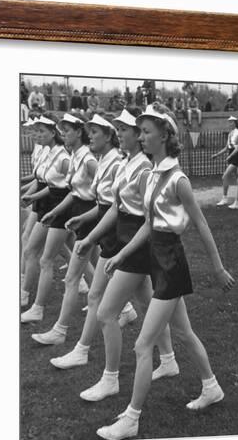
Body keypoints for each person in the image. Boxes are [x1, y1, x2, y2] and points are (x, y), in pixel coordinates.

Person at [94, 103, 235, 440]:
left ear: (165, 135)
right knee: (184, 333)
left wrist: (217, 268)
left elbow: (200, 225)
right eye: (139, 131)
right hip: (157, 260)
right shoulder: (154, 173)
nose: (140, 137)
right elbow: (148, 224)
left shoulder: (178, 179)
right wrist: (121, 254)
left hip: (171, 264)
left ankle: (131, 419)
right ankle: (211, 387)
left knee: (143, 345)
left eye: (145, 131)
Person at [63, 108, 179, 388]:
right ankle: (169, 359)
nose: (122, 133)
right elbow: (116, 206)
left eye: (125, 129)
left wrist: (121, 249)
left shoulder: (142, 168)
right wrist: (91, 237)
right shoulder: (128, 163)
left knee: (104, 308)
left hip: (133, 243)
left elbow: (147, 216)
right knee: (145, 303)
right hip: (124, 240)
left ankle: (109, 376)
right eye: (122, 129)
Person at [31, 114, 135, 345]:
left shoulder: (95, 160)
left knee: (75, 277)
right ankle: (127, 312)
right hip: (92, 216)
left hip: (102, 220)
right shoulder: (88, 157)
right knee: (100, 276)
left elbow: (110, 201)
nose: (65, 134)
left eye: (68, 130)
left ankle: (63, 332)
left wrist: (85, 219)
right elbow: (85, 193)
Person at [20, 114, 70, 322]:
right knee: (75, 255)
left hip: (58, 207)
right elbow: (44, 181)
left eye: (41, 131)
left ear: (53, 132)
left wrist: (31, 195)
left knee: (42, 253)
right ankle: (26, 296)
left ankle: (28, 299)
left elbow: (65, 188)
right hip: (48, 206)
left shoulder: (63, 156)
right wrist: (29, 193)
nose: (36, 135)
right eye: (35, 131)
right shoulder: (49, 152)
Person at [212, 116, 238, 206]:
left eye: (232, 122)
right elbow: (226, 147)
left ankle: (225, 198)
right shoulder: (231, 133)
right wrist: (217, 155)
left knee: (225, 176)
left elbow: (237, 148)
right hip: (232, 155)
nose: (230, 124)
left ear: (235, 123)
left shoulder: (237, 133)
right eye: (229, 122)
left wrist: (230, 156)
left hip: (236, 156)